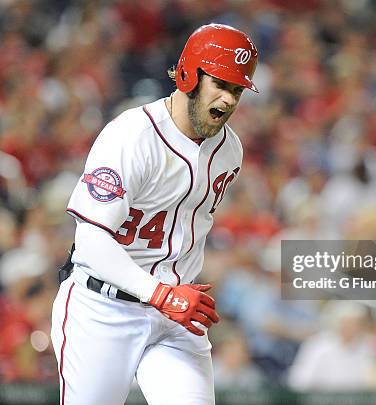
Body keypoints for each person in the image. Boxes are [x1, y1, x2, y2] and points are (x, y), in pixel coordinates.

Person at [50, 23, 258, 405]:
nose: (229, 100)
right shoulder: (131, 136)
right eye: (221, 84)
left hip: (176, 316)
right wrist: (160, 293)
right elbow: (90, 241)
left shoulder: (230, 151)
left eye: (237, 90)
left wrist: (169, 296)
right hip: (104, 309)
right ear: (188, 75)